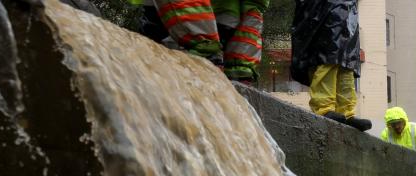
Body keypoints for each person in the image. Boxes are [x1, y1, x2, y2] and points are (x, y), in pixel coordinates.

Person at [132, 0, 270, 83]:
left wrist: (204, 48)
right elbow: (253, 11)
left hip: (180, 28)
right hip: (226, 22)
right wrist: (240, 69)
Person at [290, 0, 372, 131]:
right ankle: (324, 107)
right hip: (325, 10)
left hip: (344, 11)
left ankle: (346, 111)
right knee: (327, 58)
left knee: (346, 65)